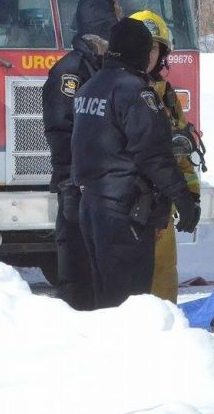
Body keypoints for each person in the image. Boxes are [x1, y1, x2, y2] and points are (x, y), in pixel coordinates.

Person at [71, 18, 200, 309]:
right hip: (124, 214)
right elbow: (154, 156)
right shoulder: (135, 92)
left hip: (91, 207)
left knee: (105, 302)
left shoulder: (90, 88)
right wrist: (184, 200)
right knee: (131, 308)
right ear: (139, 52)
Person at [42, 0, 120, 311]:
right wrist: (69, 182)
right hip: (76, 187)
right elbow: (61, 132)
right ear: (99, 28)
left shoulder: (103, 67)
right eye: (113, 24)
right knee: (77, 275)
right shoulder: (70, 72)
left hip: (101, 188)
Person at [128, 10, 202, 304]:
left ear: (162, 54)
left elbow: (181, 153)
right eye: (143, 46)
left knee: (163, 286)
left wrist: (191, 196)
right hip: (127, 210)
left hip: (161, 212)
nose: (148, 54)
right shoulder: (119, 91)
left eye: (154, 48)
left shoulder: (167, 96)